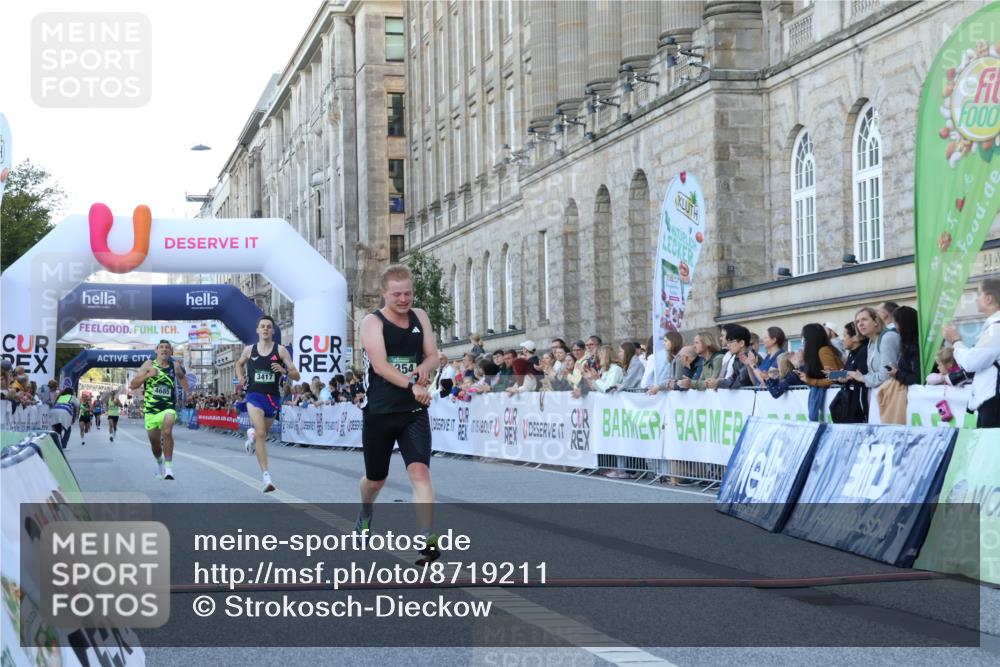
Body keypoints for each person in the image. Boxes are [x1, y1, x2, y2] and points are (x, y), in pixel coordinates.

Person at [358, 264, 441, 566]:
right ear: (384, 293)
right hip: (380, 411)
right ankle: (366, 514)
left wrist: (423, 369)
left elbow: (432, 354)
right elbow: (379, 365)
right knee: (375, 480)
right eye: (397, 295)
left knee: (420, 473)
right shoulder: (372, 322)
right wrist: (411, 384)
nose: (404, 299)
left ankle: (426, 536)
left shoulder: (420, 316)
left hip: (413, 412)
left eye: (408, 293)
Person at [236, 316, 300, 492]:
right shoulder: (249, 350)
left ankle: (252, 436)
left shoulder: (281, 351)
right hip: (254, 396)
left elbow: (297, 375)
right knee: (262, 433)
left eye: (268, 327)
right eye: (262, 326)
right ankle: (266, 477)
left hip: (272, 398)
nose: (265, 329)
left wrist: (284, 370)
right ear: (257, 330)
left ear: (273, 331)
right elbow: (238, 364)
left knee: (260, 434)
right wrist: (241, 377)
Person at [943, 278, 1000, 428]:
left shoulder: (996, 329)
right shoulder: (993, 327)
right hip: (991, 401)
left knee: (990, 449)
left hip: (994, 402)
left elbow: (971, 363)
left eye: (978, 294)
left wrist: (955, 341)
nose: (976, 299)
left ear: (989, 298)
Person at [129, 341, 190, 480]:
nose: (164, 349)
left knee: (167, 431)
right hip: (151, 411)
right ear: (156, 351)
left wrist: (189, 392)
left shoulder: (174, 366)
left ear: (171, 352)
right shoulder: (148, 365)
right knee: (155, 445)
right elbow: (133, 385)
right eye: (161, 347)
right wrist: (147, 375)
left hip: (168, 407)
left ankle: (169, 468)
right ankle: (159, 462)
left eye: (167, 348)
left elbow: (181, 378)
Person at [796, 323, 845, 421]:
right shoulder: (820, 351)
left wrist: (811, 381)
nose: (802, 341)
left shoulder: (824, 351)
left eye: (804, 338)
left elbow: (835, 377)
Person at [846, 306, 900, 394]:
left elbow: (887, 374)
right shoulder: (871, 341)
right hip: (881, 394)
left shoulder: (887, 337)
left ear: (876, 321)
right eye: (858, 321)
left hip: (894, 394)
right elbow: (873, 373)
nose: (860, 324)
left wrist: (862, 378)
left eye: (864, 319)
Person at [886, 306, 921, 387]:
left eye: (895, 323)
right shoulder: (909, 344)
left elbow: (918, 378)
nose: (895, 327)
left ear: (902, 323)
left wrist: (897, 374)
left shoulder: (915, 347)